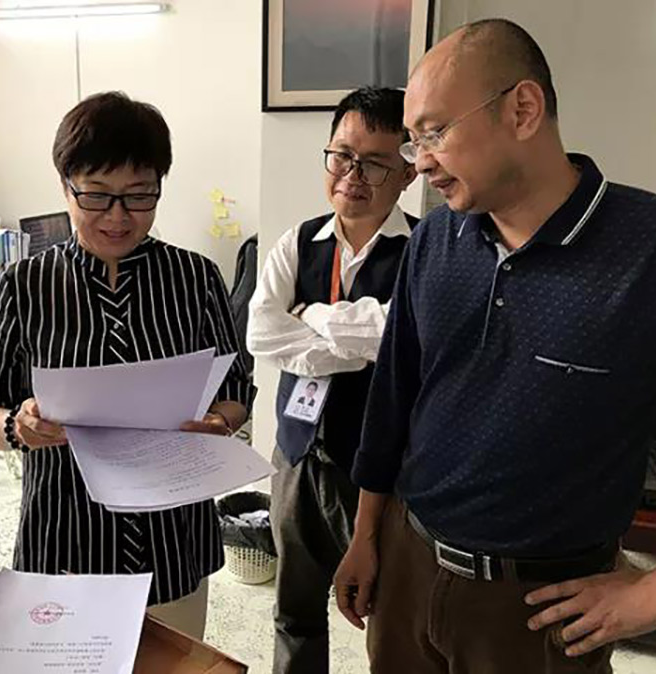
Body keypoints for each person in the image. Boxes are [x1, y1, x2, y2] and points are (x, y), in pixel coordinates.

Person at [334, 19, 656, 674]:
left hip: (540, 608)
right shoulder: (436, 239)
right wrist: (366, 535)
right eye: (412, 142)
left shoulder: (654, 250)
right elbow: (393, 402)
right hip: (409, 568)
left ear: (522, 109)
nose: (419, 161)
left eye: (435, 132)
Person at [0, 92, 251, 640]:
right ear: (65, 186)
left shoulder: (195, 278)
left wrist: (220, 422)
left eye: (139, 195)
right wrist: (19, 427)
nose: (118, 217)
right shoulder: (25, 285)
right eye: (97, 195)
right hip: (66, 533)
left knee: (174, 660)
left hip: (172, 534)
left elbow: (236, 386)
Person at [247, 86, 418, 674]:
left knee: (390, 617)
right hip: (295, 458)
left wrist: (314, 316)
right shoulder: (297, 242)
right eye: (342, 155)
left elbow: (403, 343)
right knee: (293, 610)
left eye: (374, 162)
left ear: (408, 172)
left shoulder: (424, 250)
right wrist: (361, 347)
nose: (352, 174)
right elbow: (262, 335)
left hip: (379, 474)